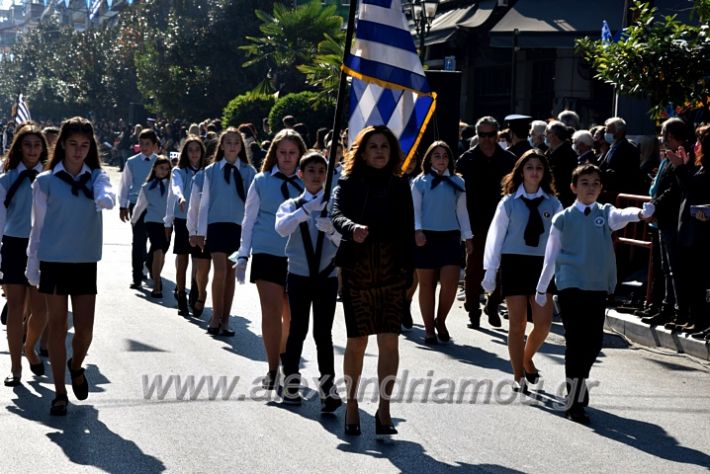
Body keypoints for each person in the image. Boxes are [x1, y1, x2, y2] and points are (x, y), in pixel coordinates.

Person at [535, 163, 654, 424]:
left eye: (595, 183)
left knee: (593, 343)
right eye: (585, 183)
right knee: (576, 342)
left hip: (597, 286)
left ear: (601, 188)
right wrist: (542, 287)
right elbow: (551, 255)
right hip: (570, 285)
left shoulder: (605, 213)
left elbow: (622, 215)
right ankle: (574, 401)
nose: (591, 188)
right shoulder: (562, 218)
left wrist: (641, 214)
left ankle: (581, 381)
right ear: (574, 187)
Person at [26, 116, 116, 415]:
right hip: (53, 260)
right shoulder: (45, 181)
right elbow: (37, 227)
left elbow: (107, 194)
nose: (78, 151)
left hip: (84, 261)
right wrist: (32, 265)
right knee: (56, 327)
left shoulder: (98, 177)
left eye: (85, 146)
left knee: (85, 331)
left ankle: (76, 365)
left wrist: (104, 198)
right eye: (73, 145)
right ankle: (59, 392)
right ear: (62, 144)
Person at [331, 125, 414, 437]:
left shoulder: (399, 185)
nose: (379, 151)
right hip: (358, 269)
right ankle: (352, 404)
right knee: (357, 342)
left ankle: (384, 407)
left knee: (389, 341)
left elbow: (408, 228)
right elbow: (337, 214)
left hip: (392, 269)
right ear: (362, 152)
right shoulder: (349, 183)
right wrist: (352, 228)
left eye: (384, 146)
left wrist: (410, 270)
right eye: (373, 147)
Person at [483, 150, 562, 390]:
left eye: (539, 168)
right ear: (521, 172)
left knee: (543, 324)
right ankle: (518, 375)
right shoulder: (508, 202)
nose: (534, 172)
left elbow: (561, 239)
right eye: (529, 167)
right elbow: (495, 238)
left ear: (544, 173)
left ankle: (527, 359)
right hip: (514, 263)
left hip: (542, 265)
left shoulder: (553, 203)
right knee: (516, 324)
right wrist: (490, 272)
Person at [235, 129, 305, 391]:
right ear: (274, 153)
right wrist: (243, 254)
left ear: (300, 154)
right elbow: (249, 219)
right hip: (266, 252)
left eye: (292, 153)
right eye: (282, 152)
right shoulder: (261, 181)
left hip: (298, 256)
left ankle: (287, 358)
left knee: (293, 315)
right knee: (272, 312)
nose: (287, 158)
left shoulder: (309, 182)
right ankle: (273, 368)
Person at [274, 152, 342, 411]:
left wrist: (333, 230)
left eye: (321, 172)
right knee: (297, 331)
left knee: (323, 334)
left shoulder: (334, 206)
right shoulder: (291, 204)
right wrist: (305, 211)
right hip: (300, 276)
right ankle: (291, 384)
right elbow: (281, 228)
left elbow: (341, 242)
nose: (316, 176)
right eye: (311, 171)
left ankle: (328, 390)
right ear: (301, 175)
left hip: (327, 277)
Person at [455, 116, 517, 329]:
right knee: (474, 268)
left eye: (491, 135)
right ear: (477, 135)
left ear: (498, 135)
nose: (487, 139)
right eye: (482, 135)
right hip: (475, 222)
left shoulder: (509, 160)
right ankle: (473, 309)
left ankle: (493, 304)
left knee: (505, 268)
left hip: (503, 222)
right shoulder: (467, 159)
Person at [195, 128, 257, 336]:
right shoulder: (210, 171)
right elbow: (200, 202)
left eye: (236, 143)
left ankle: (226, 319)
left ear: (241, 147)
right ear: (221, 145)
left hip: (238, 228)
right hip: (216, 225)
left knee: (231, 275)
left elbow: (253, 203)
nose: (232, 146)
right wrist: (197, 230)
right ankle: (215, 316)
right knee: (220, 270)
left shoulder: (249, 172)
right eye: (228, 142)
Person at [0, 123, 48, 386]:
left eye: (37, 145)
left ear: (43, 149)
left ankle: (31, 348)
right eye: (27, 145)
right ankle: (15, 367)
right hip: (14, 245)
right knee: (15, 309)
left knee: (40, 310)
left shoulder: (51, 178)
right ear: (19, 147)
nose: (32, 150)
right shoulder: (6, 179)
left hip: (42, 247)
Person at [411, 141, 472, 344]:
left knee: (450, 283)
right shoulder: (419, 182)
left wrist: (468, 237)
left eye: (445, 156)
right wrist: (417, 230)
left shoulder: (458, 182)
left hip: (450, 237)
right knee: (426, 285)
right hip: (426, 237)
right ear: (429, 159)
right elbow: (415, 211)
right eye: (437, 155)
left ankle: (441, 320)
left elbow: (462, 213)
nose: (441, 159)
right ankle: (429, 329)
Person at [642, 118, 687, 327]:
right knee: (665, 267)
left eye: (664, 134)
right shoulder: (667, 158)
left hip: (672, 219)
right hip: (663, 220)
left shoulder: (682, 156)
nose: (662, 138)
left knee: (675, 268)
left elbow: (674, 190)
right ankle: (667, 307)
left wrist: (656, 206)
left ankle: (679, 310)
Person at [164, 136, 209, 316]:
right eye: (190, 150)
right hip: (182, 219)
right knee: (182, 258)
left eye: (197, 150)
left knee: (198, 260)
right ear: (185, 152)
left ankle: (196, 291)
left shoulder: (207, 172)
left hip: (201, 220)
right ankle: (181, 293)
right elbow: (175, 188)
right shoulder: (179, 171)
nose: (194, 154)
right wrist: (181, 198)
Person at [672, 124, 710, 337]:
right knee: (692, 279)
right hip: (691, 230)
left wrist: (680, 167)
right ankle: (696, 319)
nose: (695, 146)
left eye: (699, 142)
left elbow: (696, 188)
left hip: (702, 234)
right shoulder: (700, 166)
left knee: (700, 280)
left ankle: (702, 320)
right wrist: (685, 166)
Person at [118, 129, 158, 289]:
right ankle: (136, 276)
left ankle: (148, 263)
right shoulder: (131, 162)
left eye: (147, 144)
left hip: (157, 207)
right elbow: (125, 185)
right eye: (141, 143)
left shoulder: (160, 162)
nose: (144, 147)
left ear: (154, 145)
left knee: (157, 242)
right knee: (138, 241)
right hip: (137, 205)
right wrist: (123, 205)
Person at [131, 156, 171, 298]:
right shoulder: (147, 187)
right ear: (155, 168)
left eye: (167, 169)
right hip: (152, 221)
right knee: (158, 249)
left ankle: (153, 270)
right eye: (161, 168)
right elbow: (140, 205)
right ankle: (157, 286)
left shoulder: (172, 186)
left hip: (167, 223)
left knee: (162, 251)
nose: (164, 171)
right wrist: (134, 220)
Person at [599, 117, 642, 200]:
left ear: (619, 132)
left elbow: (628, 173)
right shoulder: (612, 147)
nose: (606, 133)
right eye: (605, 131)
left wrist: (610, 174)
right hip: (609, 192)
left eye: (608, 131)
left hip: (620, 193)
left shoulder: (629, 148)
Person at [544, 121, 577, 207]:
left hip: (563, 198)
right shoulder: (549, 152)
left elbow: (564, 179)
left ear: (556, 135)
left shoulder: (567, 154)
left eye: (548, 132)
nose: (545, 135)